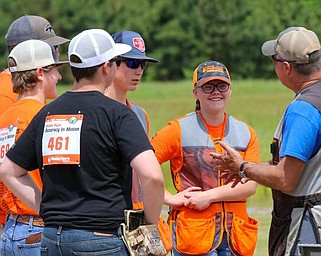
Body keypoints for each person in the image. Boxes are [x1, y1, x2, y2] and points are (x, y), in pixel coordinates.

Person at [0, 29, 164, 256]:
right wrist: (149, 223)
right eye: (116, 61)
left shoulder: (47, 114)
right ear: (107, 67)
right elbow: (153, 176)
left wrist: (46, 210)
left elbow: (8, 170)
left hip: (52, 239)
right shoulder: (118, 114)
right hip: (102, 240)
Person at [210, 27, 321, 256]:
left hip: (307, 227)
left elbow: (286, 178)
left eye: (275, 60)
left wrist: (242, 167)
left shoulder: (303, 110)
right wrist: (245, 168)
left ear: (286, 67)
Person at [151, 60, 260, 256]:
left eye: (222, 86)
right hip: (194, 234)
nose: (216, 92)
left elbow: (250, 185)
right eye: (208, 87)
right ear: (196, 92)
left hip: (236, 235)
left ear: (230, 89)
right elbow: (140, 165)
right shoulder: (176, 130)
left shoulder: (246, 132)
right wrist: (167, 198)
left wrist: (208, 196)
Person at [0, 15, 69, 231]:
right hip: (31, 220)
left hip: (12, 221)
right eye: (51, 51)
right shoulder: (26, 107)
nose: (57, 54)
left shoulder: (12, 107)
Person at [105, 30, 159, 209]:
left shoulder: (140, 114)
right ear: (112, 63)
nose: (139, 71)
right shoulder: (96, 111)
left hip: (135, 212)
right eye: (133, 63)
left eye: (143, 64)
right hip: (105, 213)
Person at [0, 15, 69, 114]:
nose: (57, 54)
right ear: (28, 50)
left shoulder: (31, 89)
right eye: (52, 48)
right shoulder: (5, 94)